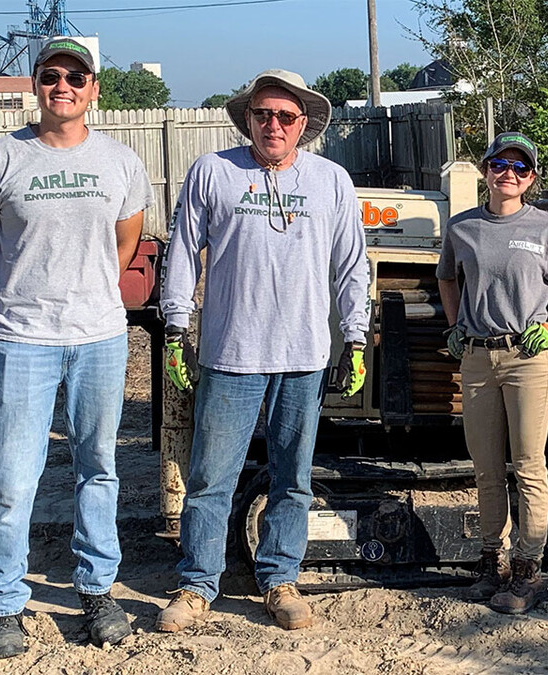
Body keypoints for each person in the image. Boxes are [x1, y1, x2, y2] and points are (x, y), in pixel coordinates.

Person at [0, 37, 152, 661]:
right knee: (12, 476)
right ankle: (1, 603)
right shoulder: (0, 157)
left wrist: (89, 298)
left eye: (75, 76)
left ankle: (96, 590)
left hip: (99, 337)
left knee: (99, 467)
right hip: (25, 341)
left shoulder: (121, 161)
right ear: (34, 87)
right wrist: (8, 300)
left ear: (93, 90)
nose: (62, 85)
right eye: (49, 76)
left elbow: (125, 245)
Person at [155, 70, 369, 633]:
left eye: (285, 116)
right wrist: (176, 326)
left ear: (304, 124)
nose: (273, 124)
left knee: (292, 476)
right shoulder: (214, 172)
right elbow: (181, 254)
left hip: (304, 355)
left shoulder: (331, 181)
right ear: (247, 118)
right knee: (209, 477)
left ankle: (279, 580)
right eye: (262, 114)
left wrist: (355, 334)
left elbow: (351, 263)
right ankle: (197, 584)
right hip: (231, 353)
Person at [437, 132, 548, 614]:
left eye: (520, 167)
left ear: (532, 178)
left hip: (528, 357)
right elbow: (447, 277)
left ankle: (529, 569)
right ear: (486, 170)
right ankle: (493, 561)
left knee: (529, 466)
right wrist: (454, 325)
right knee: (487, 467)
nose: (508, 174)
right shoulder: (462, 227)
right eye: (499, 164)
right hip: (476, 357)